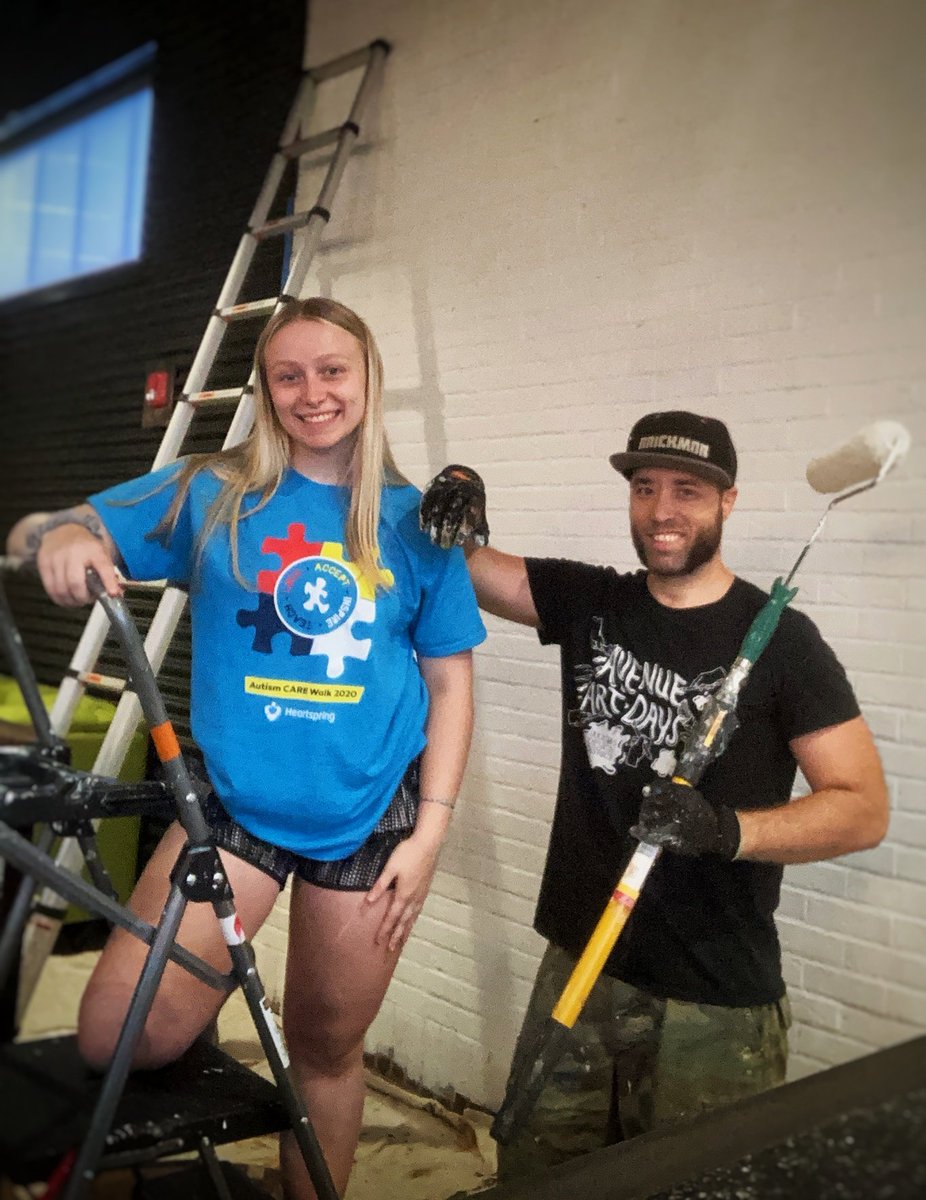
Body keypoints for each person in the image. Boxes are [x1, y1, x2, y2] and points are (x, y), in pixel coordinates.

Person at [7, 296, 486, 1199]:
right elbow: (36, 530)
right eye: (289, 374)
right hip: (230, 811)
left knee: (324, 1053)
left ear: (368, 378)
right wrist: (64, 536)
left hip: (371, 817)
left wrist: (429, 835)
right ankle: (225, 975)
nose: (312, 393)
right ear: (266, 389)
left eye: (332, 371)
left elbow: (453, 680)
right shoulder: (211, 492)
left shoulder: (417, 521)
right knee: (120, 1037)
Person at [419, 410, 888, 1181]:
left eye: (688, 490)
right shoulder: (590, 601)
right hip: (581, 965)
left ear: (727, 502)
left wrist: (726, 830)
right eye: (644, 488)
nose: (662, 510)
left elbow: (862, 807)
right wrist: (461, 495)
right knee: (538, 1173)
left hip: (712, 999)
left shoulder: (782, 642)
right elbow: (462, 559)